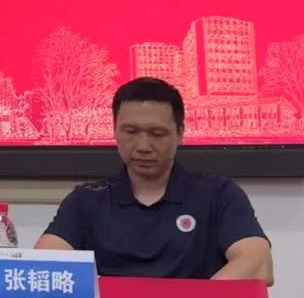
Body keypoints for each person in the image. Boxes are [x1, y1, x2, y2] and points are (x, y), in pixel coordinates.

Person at [35, 77, 273, 284]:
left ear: (180, 133)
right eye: (130, 132)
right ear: (115, 130)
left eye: (157, 134)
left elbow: (258, 264)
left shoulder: (218, 195)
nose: (143, 146)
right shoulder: (86, 201)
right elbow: (43, 265)